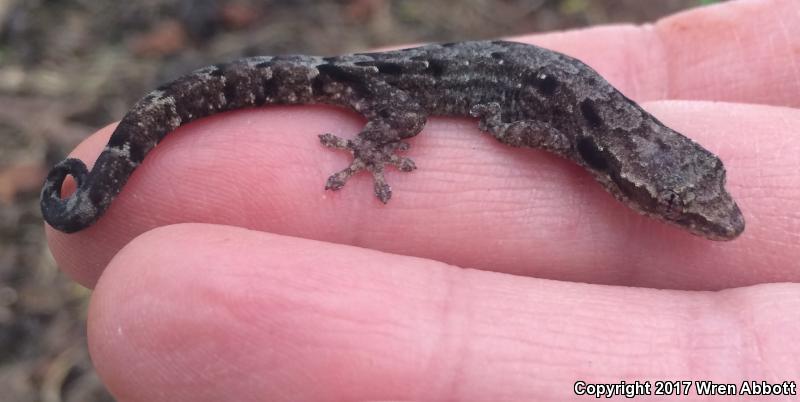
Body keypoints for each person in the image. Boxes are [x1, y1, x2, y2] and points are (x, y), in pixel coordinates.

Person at [46, 0, 800, 400]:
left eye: (695, 201)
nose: (711, 218)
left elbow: (517, 115)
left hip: (464, 76)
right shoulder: (570, 136)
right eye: (682, 207)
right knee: (403, 115)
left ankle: (95, 187)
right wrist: (382, 145)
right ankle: (98, 188)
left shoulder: (596, 136)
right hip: (397, 89)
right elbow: (502, 120)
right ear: (619, 175)